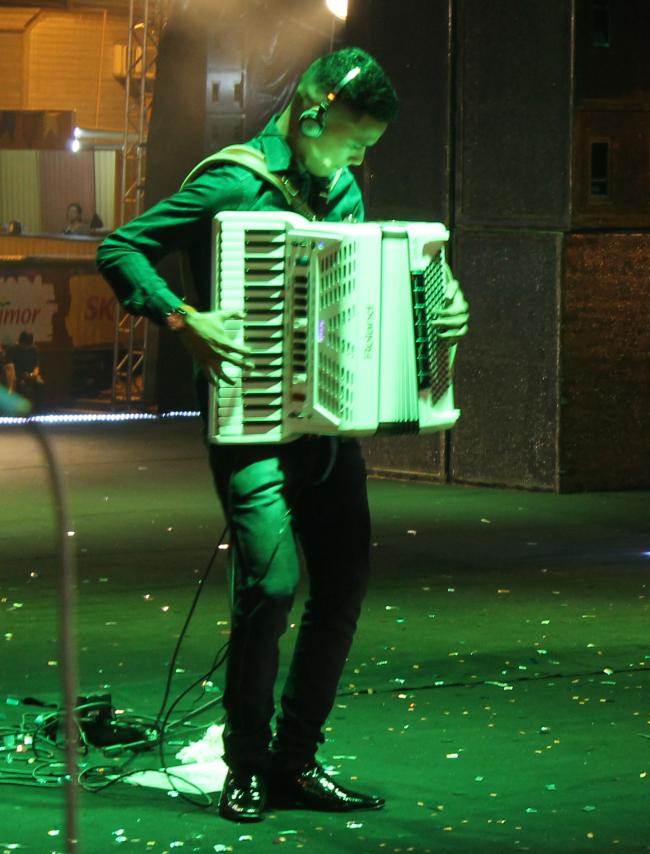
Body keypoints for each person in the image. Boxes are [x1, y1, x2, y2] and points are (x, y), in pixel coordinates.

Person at [97, 46, 470, 824]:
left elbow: (360, 304)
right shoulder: (232, 179)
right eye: (356, 142)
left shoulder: (340, 192)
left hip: (328, 430)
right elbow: (120, 246)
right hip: (251, 424)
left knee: (342, 587)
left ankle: (296, 762)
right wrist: (181, 317)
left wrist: (438, 316)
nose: (361, 160)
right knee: (268, 588)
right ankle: (247, 763)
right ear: (313, 115)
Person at [4, 330, 43, 412]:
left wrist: (33, 375)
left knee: (40, 384)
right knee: (22, 385)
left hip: (30, 376)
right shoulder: (11, 349)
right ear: (20, 342)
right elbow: (10, 368)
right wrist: (13, 381)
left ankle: (38, 410)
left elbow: (36, 366)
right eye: (24, 345)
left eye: (28, 345)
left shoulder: (34, 349)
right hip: (17, 376)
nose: (26, 348)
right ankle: (20, 409)